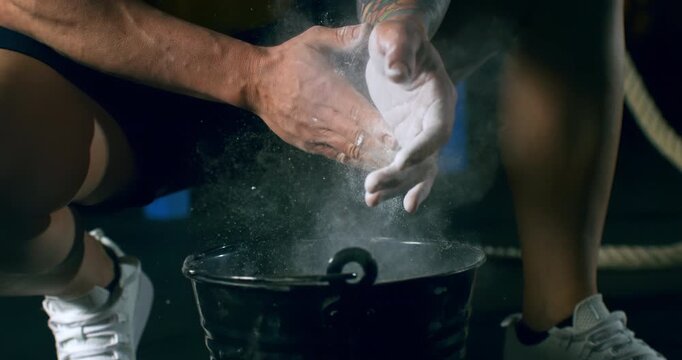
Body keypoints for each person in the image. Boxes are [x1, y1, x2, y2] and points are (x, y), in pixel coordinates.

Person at [0, 1, 665, 360]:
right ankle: (90, 286)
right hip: (108, 59)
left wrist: (401, 22)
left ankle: (559, 327)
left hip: (328, 36)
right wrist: (253, 76)